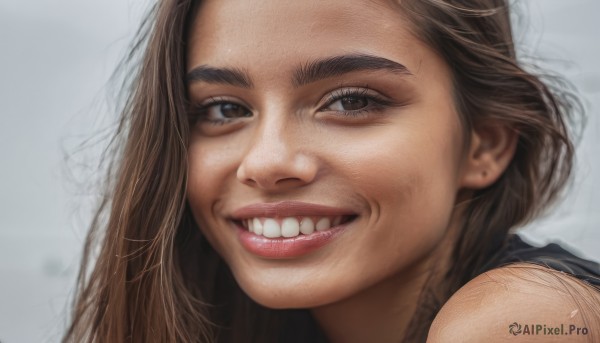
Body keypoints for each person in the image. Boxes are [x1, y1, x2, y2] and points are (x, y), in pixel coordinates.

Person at [63, 0, 600, 342]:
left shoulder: (523, 320)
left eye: (350, 101)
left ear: (484, 145)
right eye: (224, 109)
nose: (266, 162)